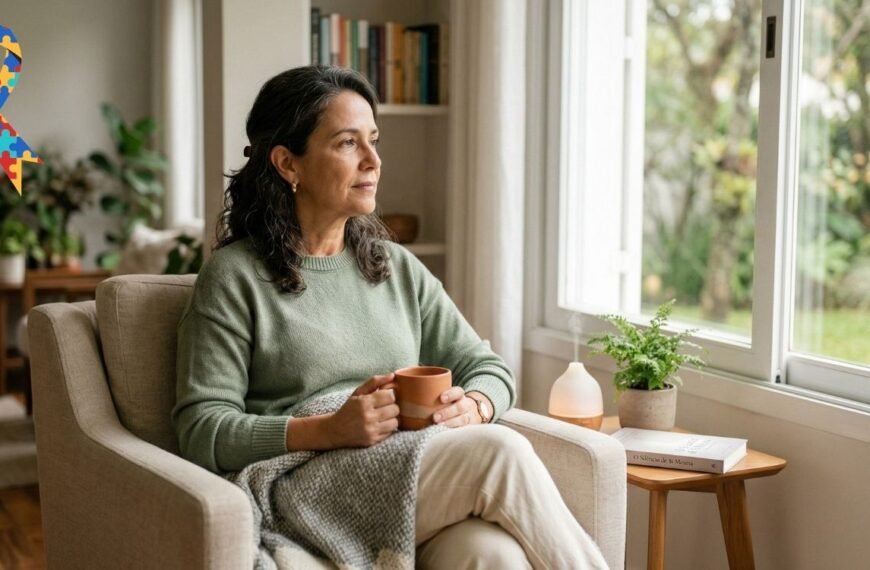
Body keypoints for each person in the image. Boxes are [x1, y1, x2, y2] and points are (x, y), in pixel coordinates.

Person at [172, 65, 607, 569]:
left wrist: (477, 406)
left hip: (403, 469)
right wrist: (328, 429)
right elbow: (202, 429)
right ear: (288, 163)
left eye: (373, 141)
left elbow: (488, 367)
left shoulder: (395, 267)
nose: (373, 160)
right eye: (347, 143)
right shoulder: (234, 276)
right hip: (303, 481)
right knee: (500, 453)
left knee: (493, 555)